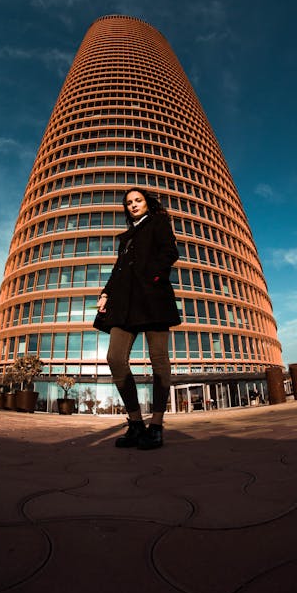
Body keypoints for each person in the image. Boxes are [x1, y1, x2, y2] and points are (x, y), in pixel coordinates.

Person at [94, 188, 181, 449]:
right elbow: (118, 269)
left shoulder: (158, 222)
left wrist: (153, 278)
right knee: (115, 358)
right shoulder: (127, 236)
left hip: (152, 299)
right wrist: (106, 293)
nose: (133, 205)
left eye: (138, 200)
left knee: (158, 360)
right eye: (129, 202)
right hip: (125, 304)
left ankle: (155, 425)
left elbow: (169, 253)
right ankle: (135, 423)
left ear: (146, 203)